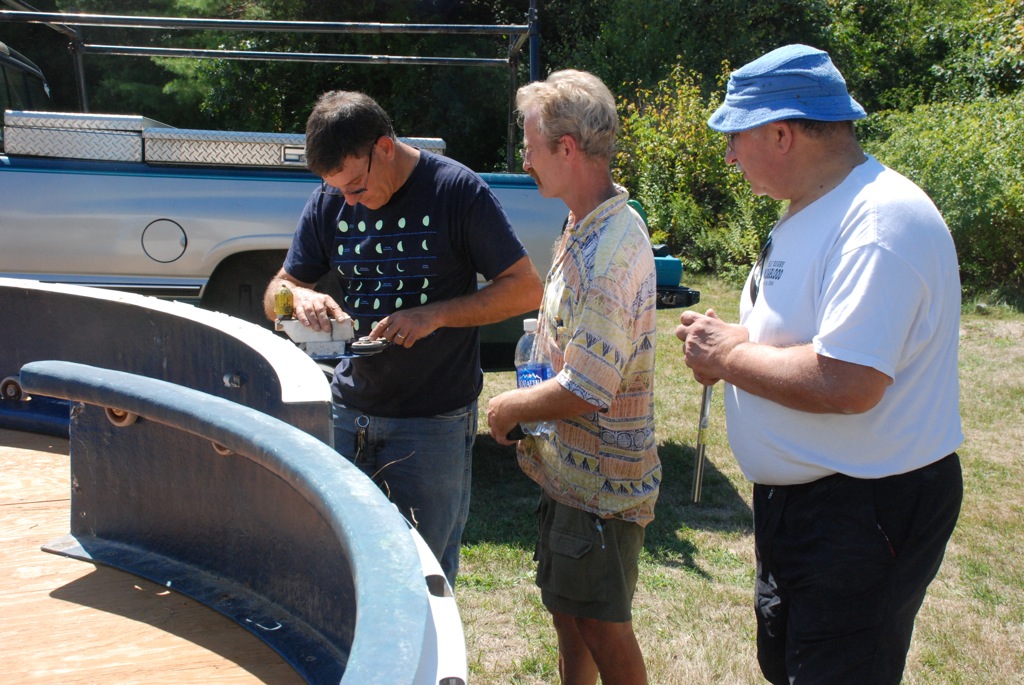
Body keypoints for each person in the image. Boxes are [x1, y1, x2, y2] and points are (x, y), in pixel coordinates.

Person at [676, 44, 963, 684]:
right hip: (814, 507)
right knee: (791, 665)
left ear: (781, 134)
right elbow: (807, 333)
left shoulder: (878, 222)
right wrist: (735, 343)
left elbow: (849, 381)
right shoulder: (814, 207)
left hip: (863, 509)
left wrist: (730, 356)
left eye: (735, 136)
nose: (729, 155)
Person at [263, 90, 543, 589]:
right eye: (338, 191)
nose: (349, 201)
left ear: (385, 147)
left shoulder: (456, 191)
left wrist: (434, 316)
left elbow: (525, 288)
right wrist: (296, 298)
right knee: (340, 568)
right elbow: (275, 293)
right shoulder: (331, 198)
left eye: (356, 186)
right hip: (347, 412)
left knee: (424, 578)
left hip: (433, 422)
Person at [487, 70, 660, 685]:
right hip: (573, 478)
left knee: (602, 629)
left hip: (602, 492)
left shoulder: (609, 254)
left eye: (531, 146)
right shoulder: (582, 222)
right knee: (571, 617)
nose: (525, 160)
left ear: (566, 148)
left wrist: (509, 408)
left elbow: (588, 387)